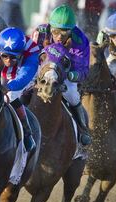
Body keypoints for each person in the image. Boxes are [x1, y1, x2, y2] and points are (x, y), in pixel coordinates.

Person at [31, 4, 92, 145]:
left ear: (71, 31)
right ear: (50, 26)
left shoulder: (80, 40)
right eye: (56, 31)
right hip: (39, 68)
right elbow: (30, 54)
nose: (59, 37)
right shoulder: (40, 32)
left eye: (64, 33)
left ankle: (82, 129)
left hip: (65, 73)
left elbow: (83, 70)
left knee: (73, 96)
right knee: (21, 90)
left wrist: (71, 76)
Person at [0, 27, 39, 152]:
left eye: (14, 57)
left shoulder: (32, 50)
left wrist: (8, 87)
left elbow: (24, 77)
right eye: (5, 56)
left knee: (10, 95)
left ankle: (26, 131)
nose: (9, 61)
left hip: (20, 76)